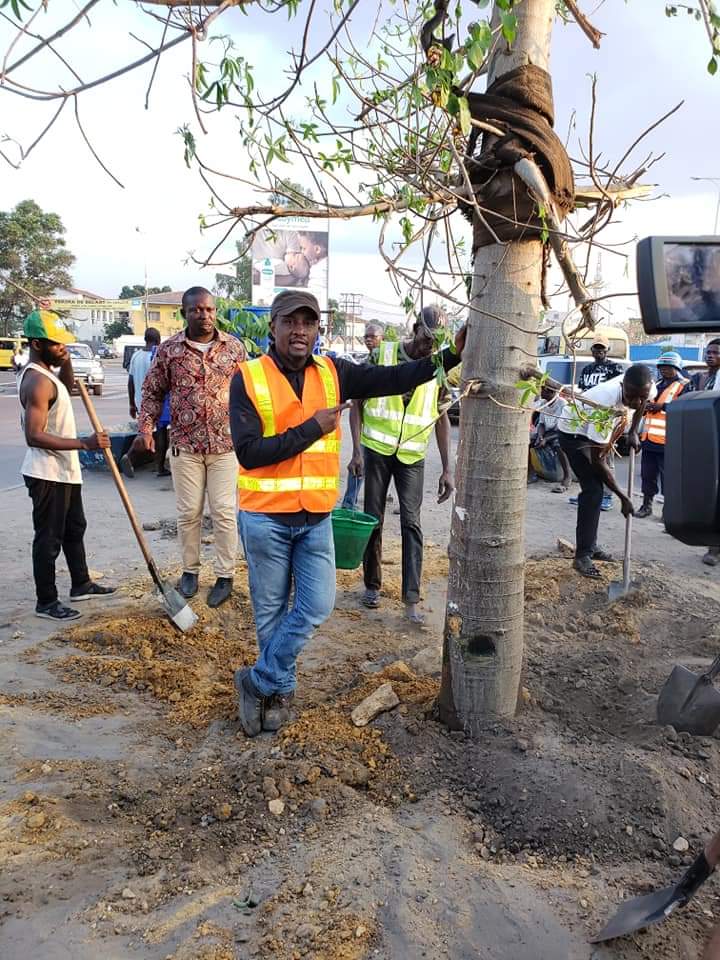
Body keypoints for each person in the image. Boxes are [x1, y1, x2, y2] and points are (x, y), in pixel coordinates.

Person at [229, 290, 465, 736]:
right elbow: (249, 453)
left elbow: (394, 377)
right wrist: (312, 429)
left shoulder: (333, 372)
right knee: (271, 613)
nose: (299, 330)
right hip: (266, 518)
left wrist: (450, 355)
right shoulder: (248, 377)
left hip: (315, 518)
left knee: (317, 604)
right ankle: (279, 693)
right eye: (289, 321)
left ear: (318, 329)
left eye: (308, 322)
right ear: (273, 327)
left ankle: (257, 681)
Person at [132, 287, 246, 608]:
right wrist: (145, 429)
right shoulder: (169, 350)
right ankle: (190, 571)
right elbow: (152, 392)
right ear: (184, 313)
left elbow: (249, 391)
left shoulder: (234, 348)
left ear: (215, 311)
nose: (204, 315)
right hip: (185, 446)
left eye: (209, 309)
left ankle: (225, 575)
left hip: (225, 445)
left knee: (224, 512)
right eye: (196, 309)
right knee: (188, 513)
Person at [346, 306, 454, 624]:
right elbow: (357, 403)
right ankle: (372, 586)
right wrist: (356, 451)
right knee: (373, 519)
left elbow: (442, 416)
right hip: (377, 450)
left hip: (411, 456)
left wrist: (447, 469)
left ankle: (411, 598)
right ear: (415, 327)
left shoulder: (437, 366)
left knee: (412, 523)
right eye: (426, 338)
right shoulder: (382, 354)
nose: (429, 346)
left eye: (436, 342)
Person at [18, 309, 116, 621]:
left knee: (75, 528)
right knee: (49, 539)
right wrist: (85, 443)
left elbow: (67, 386)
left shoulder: (48, 373)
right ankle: (46, 602)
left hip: (65, 471)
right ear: (37, 344)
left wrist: (67, 359)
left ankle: (81, 584)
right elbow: (34, 435)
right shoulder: (36, 381)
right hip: (47, 473)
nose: (63, 348)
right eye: (57, 343)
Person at [558, 365, 655, 578]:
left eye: (642, 396)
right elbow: (597, 460)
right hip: (573, 433)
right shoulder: (604, 405)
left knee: (596, 490)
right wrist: (623, 497)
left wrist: (633, 432)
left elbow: (643, 404)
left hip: (591, 430)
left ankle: (589, 546)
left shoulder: (647, 387)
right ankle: (583, 556)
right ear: (622, 386)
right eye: (631, 396)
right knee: (593, 490)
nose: (636, 402)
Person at [572, 335, 623, 512]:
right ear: (592, 350)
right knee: (587, 456)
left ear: (607, 350)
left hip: (605, 417)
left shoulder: (615, 368)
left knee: (605, 456)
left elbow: (620, 394)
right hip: (588, 415)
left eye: (602, 348)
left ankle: (607, 495)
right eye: (596, 347)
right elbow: (583, 392)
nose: (599, 351)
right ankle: (589, 492)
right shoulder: (587, 369)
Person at [636, 351, 688, 520]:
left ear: (677, 368)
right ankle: (646, 506)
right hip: (649, 439)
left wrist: (662, 407)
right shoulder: (655, 385)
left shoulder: (684, 385)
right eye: (662, 367)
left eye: (668, 367)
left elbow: (686, 408)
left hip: (669, 441)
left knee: (668, 479)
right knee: (647, 476)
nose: (664, 369)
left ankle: (668, 512)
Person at [340, 321, 385, 510]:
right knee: (358, 465)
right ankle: (348, 504)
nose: (368, 340)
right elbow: (356, 406)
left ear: (383, 338)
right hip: (370, 434)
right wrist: (356, 447)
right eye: (366, 336)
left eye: (372, 336)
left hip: (391, 438)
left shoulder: (391, 365)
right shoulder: (365, 367)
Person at [686, 339, 720, 565]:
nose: (710, 355)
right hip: (706, 440)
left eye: (715, 352)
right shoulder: (701, 378)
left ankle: (714, 549)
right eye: (708, 352)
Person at [120, 327, 170, 478]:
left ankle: (134, 458)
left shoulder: (136, 356)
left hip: (140, 400)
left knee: (145, 431)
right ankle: (158, 466)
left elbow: (130, 381)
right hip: (155, 401)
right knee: (160, 434)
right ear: (158, 340)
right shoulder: (157, 356)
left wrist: (131, 404)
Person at [529, 384, 571, 492]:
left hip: (561, 432)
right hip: (547, 432)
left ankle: (567, 477)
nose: (541, 392)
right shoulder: (544, 403)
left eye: (543, 390)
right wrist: (540, 436)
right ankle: (531, 473)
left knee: (558, 444)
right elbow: (541, 424)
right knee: (527, 440)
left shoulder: (563, 404)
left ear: (551, 392)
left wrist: (546, 439)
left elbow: (563, 429)